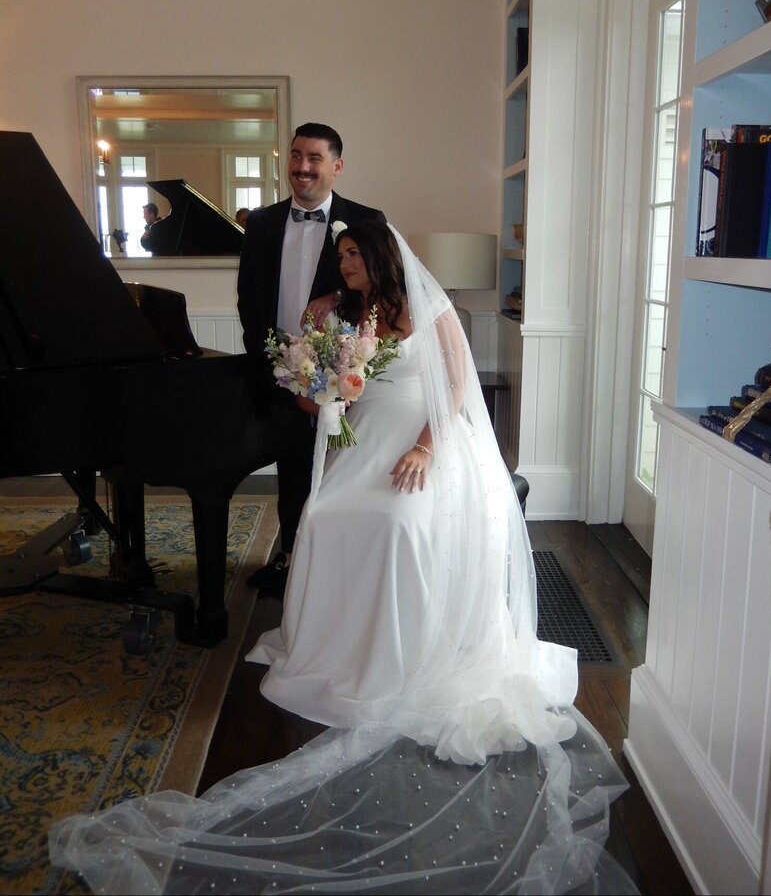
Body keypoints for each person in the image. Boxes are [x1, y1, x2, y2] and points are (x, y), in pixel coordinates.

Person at [49, 222, 635, 895]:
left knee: (396, 520)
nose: (346, 263)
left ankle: (399, 650)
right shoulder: (340, 315)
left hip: (428, 441)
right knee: (321, 514)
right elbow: (313, 398)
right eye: (341, 255)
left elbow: (452, 389)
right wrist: (321, 385)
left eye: (354, 254)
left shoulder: (431, 309)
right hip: (364, 440)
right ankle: (334, 641)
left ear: (381, 258)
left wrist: (424, 448)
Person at [237, 123, 386, 596]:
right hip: (281, 369)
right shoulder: (260, 223)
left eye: (314, 159)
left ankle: (339, 566)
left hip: (343, 370)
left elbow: (379, 283)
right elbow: (247, 297)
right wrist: (267, 358)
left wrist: (336, 292)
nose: (302, 168)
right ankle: (291, 560)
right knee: (291, 468)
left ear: (336, 166)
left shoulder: (366, 218)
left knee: (340, 468)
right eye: (296, 156)